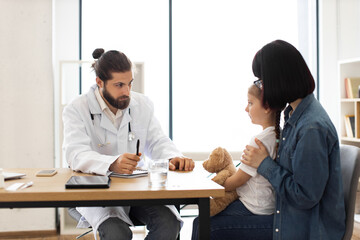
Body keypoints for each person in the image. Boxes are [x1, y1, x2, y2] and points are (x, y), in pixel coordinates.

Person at [62, 48, 194, 240]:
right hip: (97, 191)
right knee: (117, 234)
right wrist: (112, 163)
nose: (126, 92)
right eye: (119, 85)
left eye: (129, 84)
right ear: (100, 82)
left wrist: (173, 157)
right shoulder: (77, 109)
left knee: (169, 224)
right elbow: (76, 154)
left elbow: (157, 141)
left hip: (136, 188)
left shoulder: (142, 104)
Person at [241, 40, 345, 239]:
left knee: (210, 225)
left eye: (262, 81)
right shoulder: (296, 115)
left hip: (306, 228)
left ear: (277, 80)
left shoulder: (311, 128)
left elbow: (304, 196)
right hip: (293, 217)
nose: (261, 88)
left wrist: (264, 164)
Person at [191, 83, 280, 240]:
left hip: (254, 208)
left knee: (200, 223)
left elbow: (236, 181)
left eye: (250, 103)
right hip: (264, 206)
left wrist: (214, 183)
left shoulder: (258, 142)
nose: (246, 109)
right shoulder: (276, 136)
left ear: (266, 107)